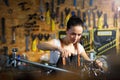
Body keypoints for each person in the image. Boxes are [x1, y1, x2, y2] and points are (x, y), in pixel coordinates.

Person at [37, 16, 102, 74]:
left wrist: (95, 62)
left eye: (79, 35)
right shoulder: (57, 42)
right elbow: (40, 45)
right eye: (73, 34)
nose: (76, 38)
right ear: (67, 31)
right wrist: (58, 48)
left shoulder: (79, 47)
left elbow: (88, 60)